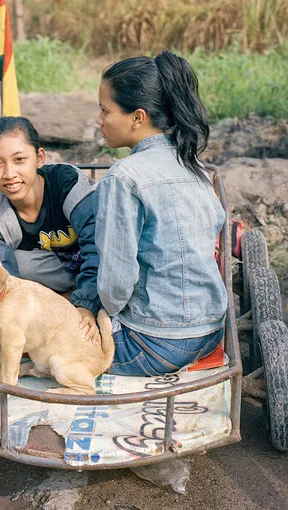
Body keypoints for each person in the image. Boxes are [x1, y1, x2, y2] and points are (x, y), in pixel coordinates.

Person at [94, 51, 227, 376]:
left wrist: (96, 311)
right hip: (210, 331)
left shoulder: (124, 177)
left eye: (104, 110)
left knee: (51, 332)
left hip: (154, 342)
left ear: (137, 117)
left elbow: (116, 282)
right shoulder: (194, 165)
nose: (99, 120)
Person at [0, 116, 101, 343]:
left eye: (20, 159)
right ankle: (63, 302)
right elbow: (3, 279)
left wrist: (86, 306)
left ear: (39, 158)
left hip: (96, 268)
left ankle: (82, 299)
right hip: (56, 274)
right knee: (8, 264)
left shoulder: (66, 184)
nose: (9, 174)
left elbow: (98, 248)